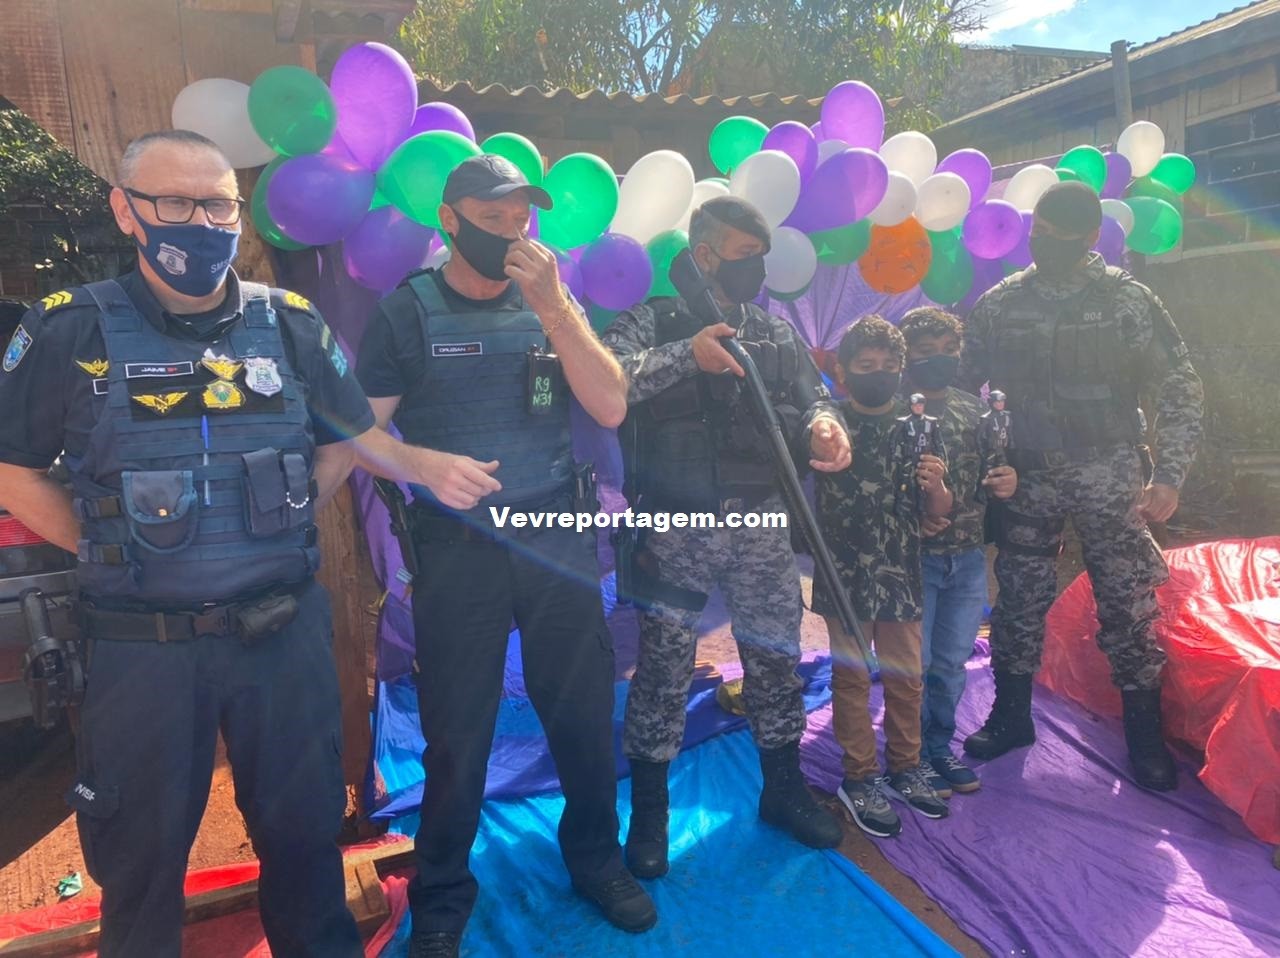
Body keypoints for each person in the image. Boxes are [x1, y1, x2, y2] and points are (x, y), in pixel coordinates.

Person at [0, 130, 374, 957]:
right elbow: (12, 468)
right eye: (174, 203)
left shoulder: (291, 325)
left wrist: (277, 516)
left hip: (280, 635)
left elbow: (342, 440)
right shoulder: (68, 330)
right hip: (143, 650)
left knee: (306, 841)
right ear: (125, 210)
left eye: (218, 206)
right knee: (139, 862)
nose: (200, 223)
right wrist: (110, 545)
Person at [353, 155, 654, 958]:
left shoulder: (551, 300)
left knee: (583, 715)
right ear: (450, 221)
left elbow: (610, 403)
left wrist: (555, 308)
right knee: (457, 733)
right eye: (493, 219)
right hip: (459, 552)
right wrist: (420, 464)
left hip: (555, 538)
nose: (513, 233)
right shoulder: (407, 313)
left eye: (522, 218)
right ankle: (442, 893)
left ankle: (597, 860)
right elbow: (354, 429)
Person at [600, 196, 852, 877]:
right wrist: (688, 355)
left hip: (759, 523)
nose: (756, 270)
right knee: (663, 670)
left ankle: (783, 790)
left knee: (775, 658)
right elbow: (606, 382)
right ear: (705, 255)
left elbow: (814, 394)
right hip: (675, 524)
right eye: (744, 256)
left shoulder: (772, 332)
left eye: (760, 257)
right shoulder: (652, 319)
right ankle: (650, 816)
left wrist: (826, 425)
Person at [958, 180, 1204, 791]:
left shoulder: (1128, 301)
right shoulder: (1002, 302)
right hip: (1028, 474)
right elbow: (961, 389)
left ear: (1092, 237)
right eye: (1039, 234)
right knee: (1019, 598)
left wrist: (1169, 475)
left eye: (1060, 238)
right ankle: (1011, 716)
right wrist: (972, 465)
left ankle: (1144, 734)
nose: (1046, 245)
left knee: (1126, 602)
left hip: (1108, 473)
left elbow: (1179, 387)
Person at [814, 316, 952, 839]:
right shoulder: (829, 421)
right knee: (851, 680)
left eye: (890, 365)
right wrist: (823, 428)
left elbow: (940, 506)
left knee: (907, 677)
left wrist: (937, 487)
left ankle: (905, 767)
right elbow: (813, 427)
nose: (879, 373)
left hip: (900, 571)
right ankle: (860, 778)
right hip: (844, 574)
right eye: (866, 365)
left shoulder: (920, 426)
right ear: (843, 371)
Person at [898, 307, 1018, 798]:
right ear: (906, 357)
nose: (940, 360)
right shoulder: (891, 413)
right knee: (916, 665)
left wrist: (1008, 480)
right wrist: (910, 517)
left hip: (967, 560)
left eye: (950, 350)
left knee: (951, 664)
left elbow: (996, 469)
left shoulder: (976, 411)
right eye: (926, 352)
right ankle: (908, 757)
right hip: (913, 561)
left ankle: (938, 748)